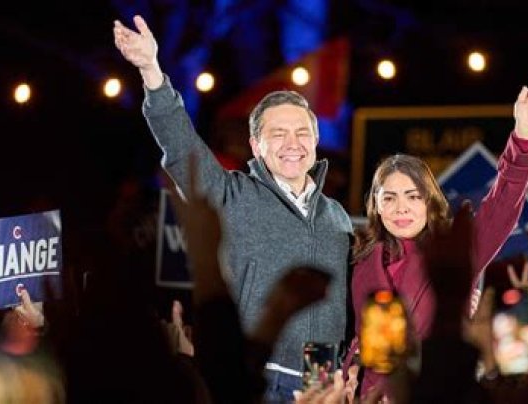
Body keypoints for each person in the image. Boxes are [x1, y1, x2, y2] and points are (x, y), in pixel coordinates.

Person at [113, 15, 352, 401]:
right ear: (256, 146)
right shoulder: (234, 194)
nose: (293, 143)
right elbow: (181, 146)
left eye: (302, 133)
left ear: (315, 141)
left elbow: (340, 305)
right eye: (278, 134)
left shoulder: (337, 216)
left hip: (318, 381)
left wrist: (333, 374)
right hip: (257, 376)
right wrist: (152, 72)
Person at [344, 80, 528, 397]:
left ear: (429, 202)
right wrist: (352, 367)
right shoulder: (362, 258)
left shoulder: (453, 252)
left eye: (413, 196)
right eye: (389, 198)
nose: (401, 208)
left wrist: (523, 134)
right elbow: (361, 337)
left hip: (433, 393)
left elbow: (503, 203)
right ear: (375, 205)